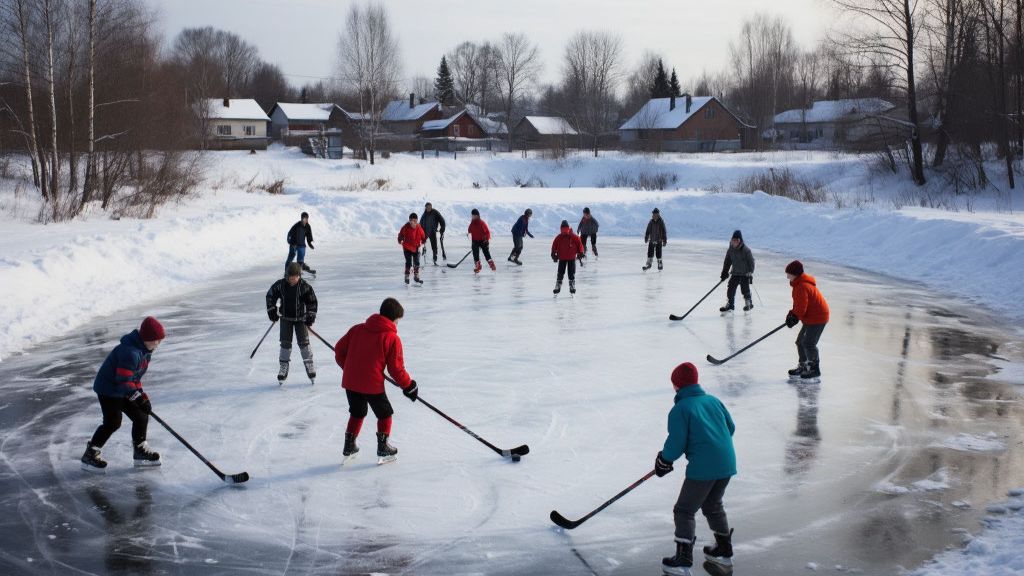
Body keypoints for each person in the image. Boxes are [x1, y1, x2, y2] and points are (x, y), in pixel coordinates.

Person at [655, 362, 737, 576]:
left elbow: (676, 443)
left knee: (684, 510)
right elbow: (730, 428)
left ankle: (683, 560)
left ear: (676, 385)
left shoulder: (681, 408)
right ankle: (724, 549)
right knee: (712, 504)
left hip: (703, 467)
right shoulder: (713, 401)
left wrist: (664, 459)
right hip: (727, 462)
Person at [334, 297, 419, 464]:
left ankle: (349, 446)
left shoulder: (357, 329)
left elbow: (339, 350)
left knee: (357, 412)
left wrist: (351, 369)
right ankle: (383, 448)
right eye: (397, 321)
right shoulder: (391, 338)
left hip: (351, 382)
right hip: (372, 385)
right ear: (393, 319)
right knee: (385, 414)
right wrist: (409, 385)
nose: (397, 324)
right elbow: (396, 369)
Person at [81, 316, 166, 471]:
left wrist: (143, 398)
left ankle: (140, 450)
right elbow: (124, 381)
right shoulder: (130, 353)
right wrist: (137, 398)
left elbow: (135, 378)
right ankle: (90, 453)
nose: (158, 343)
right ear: (147, 338)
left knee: (141, 415)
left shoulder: (145, 351)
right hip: (108, 389)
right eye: (156, 340)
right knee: (113, 422)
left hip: (123, 387)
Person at [266, 262, 318, 383]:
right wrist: (272, 311)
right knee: (285, 343)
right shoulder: (280, 285)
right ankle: (283, 366)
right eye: (291, 277)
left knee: (304, 343)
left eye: (296, 277)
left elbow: (312, 302)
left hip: (301, 320)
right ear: (287, 275)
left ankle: (309, 364)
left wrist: (310, 315)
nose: (293, 279)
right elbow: (270, 296)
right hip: (286, 319)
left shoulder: (305, 287)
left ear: (299, 275)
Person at [784, 260, 830, 380]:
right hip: (810, 317)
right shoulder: (798, 284)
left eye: (789, 274)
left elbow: (801, 308)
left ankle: (814, 369)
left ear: (795, 274)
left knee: (808, 343)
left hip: (818, 317)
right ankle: (804, 365)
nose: (787, 276)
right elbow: (799, 305)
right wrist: (791, 315)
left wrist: (795, 317)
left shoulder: (802, 286)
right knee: (800, 341)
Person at [719, 230, 756, 312]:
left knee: (745, 289)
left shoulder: (746, 250)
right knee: (731, 288)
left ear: (740, 241)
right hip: (735, 272)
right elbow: (727, 261)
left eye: (736, 240)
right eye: (733, 240)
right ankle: (730, 304)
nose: (734, 242)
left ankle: (748, 303)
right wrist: (724, 272)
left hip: (745, 273)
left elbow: (752, 262)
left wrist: (750, 271)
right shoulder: (730, 249)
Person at [551, 219, 584, 295]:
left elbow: (554, 246)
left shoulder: (560, 237)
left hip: (565, 258)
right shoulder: (573, 236)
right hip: (569, 258)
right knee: (569, 273)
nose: (564, 229)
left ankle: (559, 285)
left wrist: (553, 254)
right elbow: (580, 244)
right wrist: (581, 252)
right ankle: (570, 285)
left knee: (562, 273)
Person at [398, 212, 426, 284]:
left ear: (416, 221)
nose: (412, 222)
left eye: (414, 221)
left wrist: (423, 241)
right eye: (411, 220)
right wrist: (400, 239)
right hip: (407, 247)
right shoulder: (406, 227)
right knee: (408, 262)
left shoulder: (419, 227)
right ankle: (407, 275)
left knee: (417, 262)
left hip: (416, 248)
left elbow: (423, 235)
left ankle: (416, 275)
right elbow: (401, 234)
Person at [467, 208, 495, 273]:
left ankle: (491, 264)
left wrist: (486, 240)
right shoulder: (472, 223)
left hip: (483, 241)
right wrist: (468, 234)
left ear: (477, 215)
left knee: (486, 253)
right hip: (475, 241)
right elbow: (469, 230)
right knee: (475, 253)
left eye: (474, 215)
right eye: (472, 215)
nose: (473, 217)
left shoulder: (482, 223)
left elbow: (487, 232)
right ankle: (478, 266)